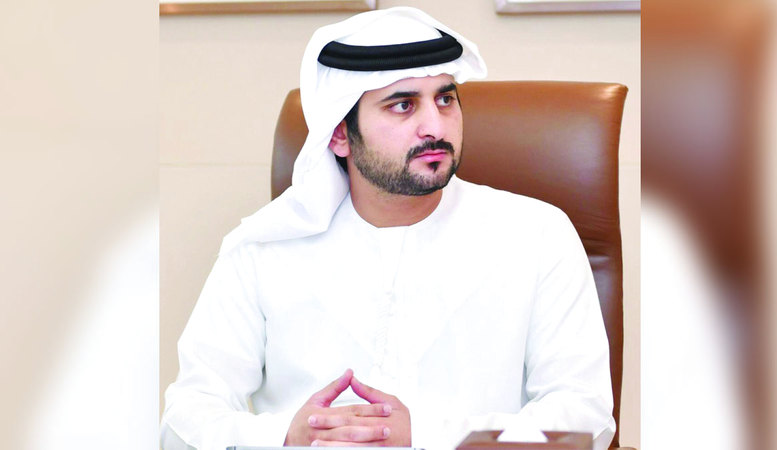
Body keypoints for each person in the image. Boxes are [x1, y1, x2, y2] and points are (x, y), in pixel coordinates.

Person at [161, 7, 614, 450]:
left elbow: (585, 418)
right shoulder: (262, 250)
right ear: (339, 134)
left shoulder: (536, 236)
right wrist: (286, 436)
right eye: (403, 105)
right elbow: (184, 422)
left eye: (445, 99)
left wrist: (427, 437)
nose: (434, 126)